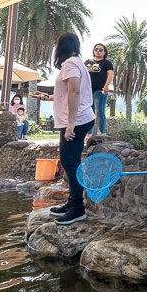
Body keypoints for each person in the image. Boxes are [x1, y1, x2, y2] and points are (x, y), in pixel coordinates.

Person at [35, 33, 95, 225]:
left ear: (60, 47)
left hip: (76, 121)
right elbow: (69, 92)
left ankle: (78, 208)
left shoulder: (70, 64)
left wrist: (71, 123)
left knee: (69, 162)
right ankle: (72, 202)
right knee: (70, 161)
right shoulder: (77, 62)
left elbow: (75, 91)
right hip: (80, 118)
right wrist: (48, 98)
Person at [85, 43, 115, 136]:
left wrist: (106, 86)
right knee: (89, 112)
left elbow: (111, 74)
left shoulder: (106, 63)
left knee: (100, 111)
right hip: (88, 90)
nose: (98, 51)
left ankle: (102, 132)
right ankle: (88, 133)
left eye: (101, 50)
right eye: (96, 49)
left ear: (104, 52)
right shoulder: (87, 62)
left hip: (100, 90)